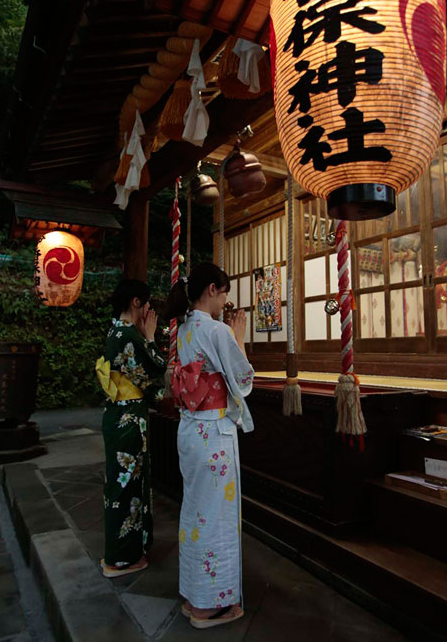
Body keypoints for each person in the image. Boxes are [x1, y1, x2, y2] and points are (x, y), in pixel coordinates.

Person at [166, 263, 253, 629]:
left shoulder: (184, 329)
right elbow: (244, 378)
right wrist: (239, 337)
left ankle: (193, 593)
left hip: (190, 430)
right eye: (225, 293)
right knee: (216, 517)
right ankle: (210, 605)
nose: (225, 301)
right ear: (213, 290)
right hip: (214, 433)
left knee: (195, 513)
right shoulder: (217, 330)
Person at [97, 279, 166, 578]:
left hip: (119, 414)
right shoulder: (128, 334)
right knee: (127, 486)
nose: (149, 311)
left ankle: (124, 551)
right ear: (136, 302)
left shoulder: (117, 329)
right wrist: (150, 338)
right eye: (148, 304)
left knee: (121, 484)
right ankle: (123, 557)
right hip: (128, 419)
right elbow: (154, 368)